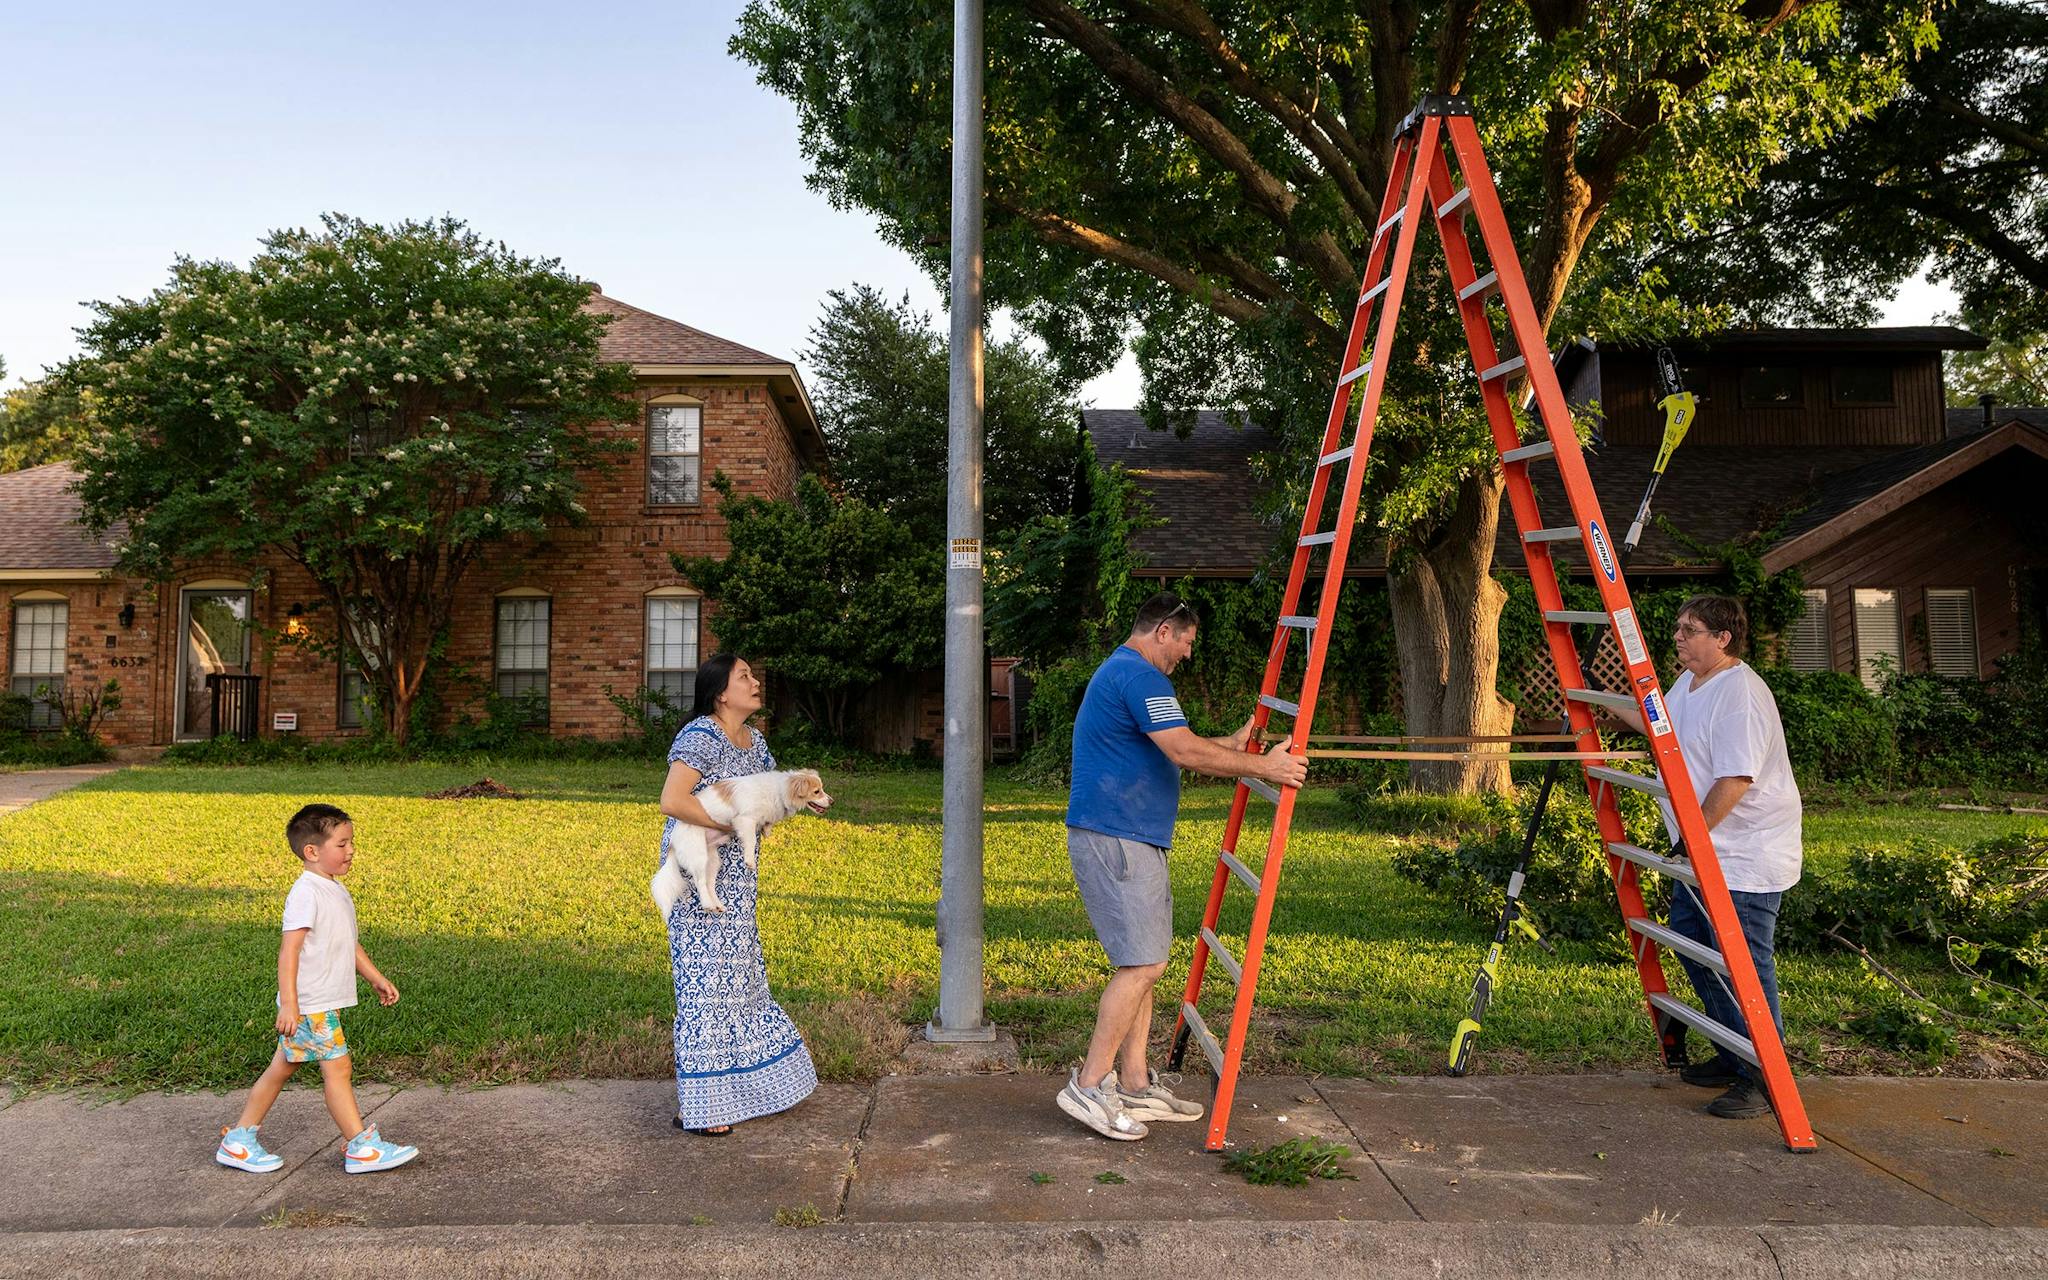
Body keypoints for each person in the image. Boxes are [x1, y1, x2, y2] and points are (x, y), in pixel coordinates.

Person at [1056, 592, 1309, 1141]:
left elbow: (1182, 744)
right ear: (1164, 631)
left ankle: (1134, 1083)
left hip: (1126, 834)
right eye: (1187, 642)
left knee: (1142, 960)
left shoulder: (1127, 674)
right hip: (1117, 836)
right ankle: (1089, 1084)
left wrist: (1236, 745)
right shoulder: (1141, 678)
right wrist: (1263, 765)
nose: (1188, 655)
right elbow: (1186, 753)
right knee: (1142, 965)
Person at [1615, 594, 1802, 1120]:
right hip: (1704, 850)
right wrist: (1590, 701)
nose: (1678, 636)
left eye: (1691, 629)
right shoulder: (1690, 682)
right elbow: (1655, 723)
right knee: (1694, 945)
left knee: (1743, 961)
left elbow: (1736, 779)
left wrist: (1689, 839)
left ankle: (1764, 1076)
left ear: (1723, 638)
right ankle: (1732, 1052)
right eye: (1677, 627)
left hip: (1744, 853)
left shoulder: (1738, 693)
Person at [657, 652, 817, 1135]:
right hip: (699, 870)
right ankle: (703, 1108)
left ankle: (748, 1091)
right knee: (706, 988)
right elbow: (672, 800)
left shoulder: (757, 744)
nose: (754, 681)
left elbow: (772, 800)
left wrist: (803, 800)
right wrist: (725, 825)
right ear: (720, 692)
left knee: (740, 983)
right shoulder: (699, 735)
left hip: (740, 880)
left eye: (753, 674)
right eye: (743, 676)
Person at [215, 803, 418, 1174]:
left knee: (282, 1067)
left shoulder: (333, 890)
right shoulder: (306, 892)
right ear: (312, 851)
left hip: (317, 1002)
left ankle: (239, 1139)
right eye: (342, 844)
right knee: (338, 1068)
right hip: (310, 1003)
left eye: (352, 842)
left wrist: (375, 978)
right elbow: (289, 950)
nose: (351, 850)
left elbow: (348, 944)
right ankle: (361, 1146)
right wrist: (290, 1004)